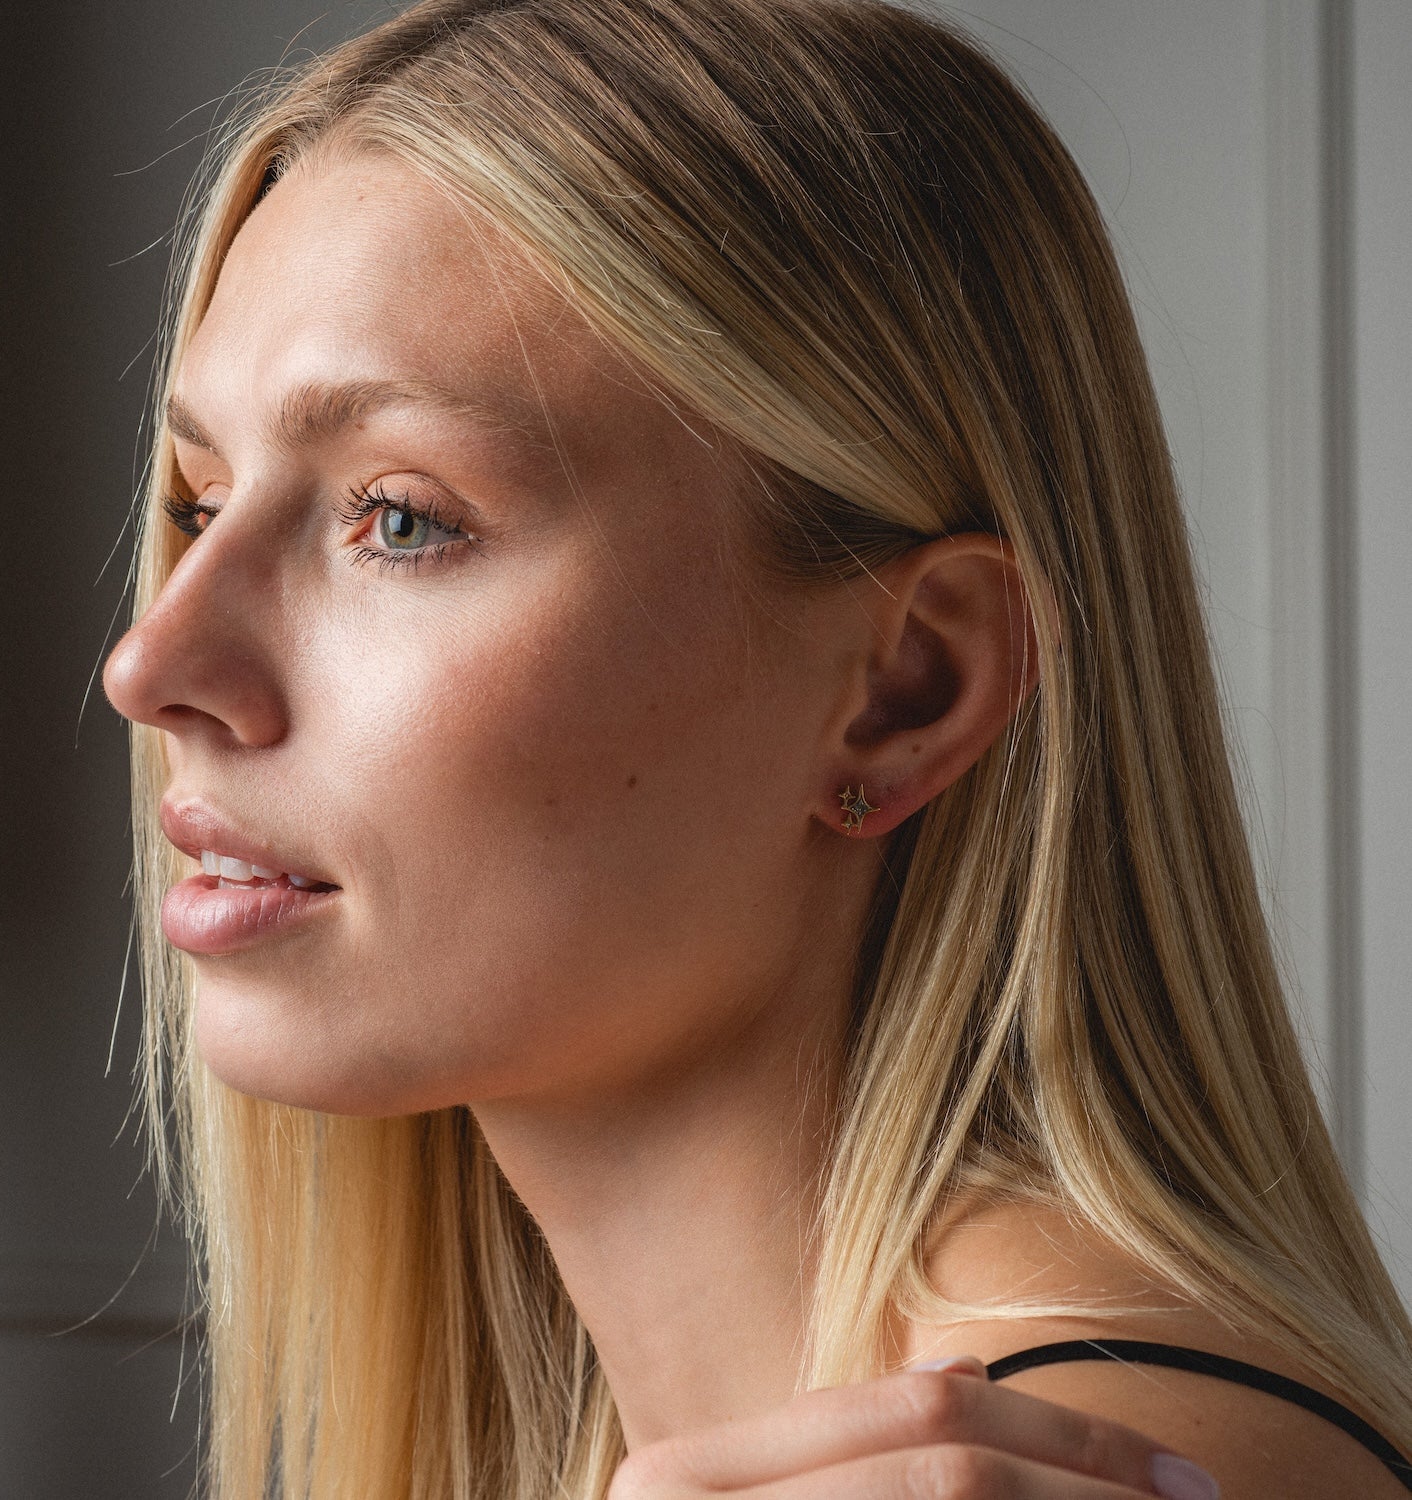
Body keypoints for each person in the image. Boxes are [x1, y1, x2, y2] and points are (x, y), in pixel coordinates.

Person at [101, 0, 1412, 1496]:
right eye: (200, 504)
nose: (154, 665)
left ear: (908, 687)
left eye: (401, 519)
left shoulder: (1104, 1463)